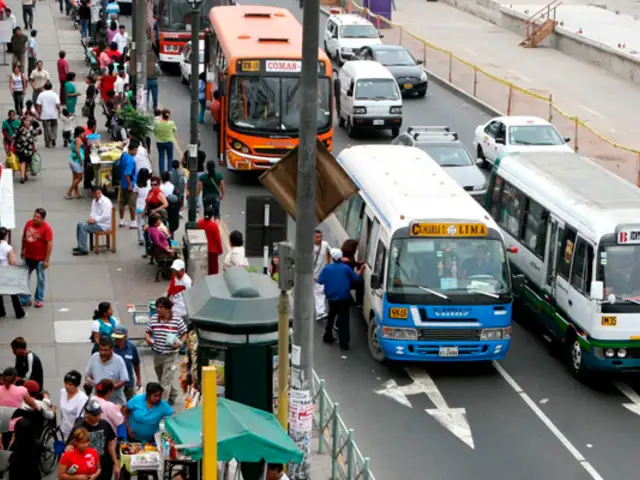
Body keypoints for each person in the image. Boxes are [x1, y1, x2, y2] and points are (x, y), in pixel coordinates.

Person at [317, 248, 364, 351]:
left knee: (331, 316)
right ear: (340, 257)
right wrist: (361, 270)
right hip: (344, 298)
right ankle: (344, 344)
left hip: (331, 298)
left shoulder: (327, 269)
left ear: (333, 258)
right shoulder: (346, 268)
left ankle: (328, 336)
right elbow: (356, 278)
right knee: (344, 321)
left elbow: (320, 281)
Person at [145, 297, 187, 404]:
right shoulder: (154, 319)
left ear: (168, 309)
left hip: (171, 356)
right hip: (157, 354)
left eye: (161, 307)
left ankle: (162, 405)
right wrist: (149, 339)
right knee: (161, 378)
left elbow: (184, 334)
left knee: (165, 381)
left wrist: (180, 343)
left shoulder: (177, 320)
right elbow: (148, 332)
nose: (158, 310)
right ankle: (173, 394)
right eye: (157, 307)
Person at [68, 399, 119, 480]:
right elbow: (70, 448)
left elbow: (110, 445)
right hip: (86, 472)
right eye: (95, 415)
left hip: (105, 469)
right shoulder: (78, 428)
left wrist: (116, 464)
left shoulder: (105, 424)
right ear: (86, 413)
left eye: (99, 413)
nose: (98, 416)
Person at [19, 208, 52, 308]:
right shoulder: (28, 223)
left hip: (40, 259)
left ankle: (38, 299)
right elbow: (24, 237)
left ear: (43, 219)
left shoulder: (46, 228)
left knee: (40, 280)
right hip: (28, 256)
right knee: (23, 278)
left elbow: (49, 244)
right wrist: (22, 249)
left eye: (38, 217)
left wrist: (47, 260)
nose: (35, 218)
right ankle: (25, 299)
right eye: (34, 216)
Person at [85, 335, 129, 405]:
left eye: (106, 350)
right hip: (97, 403)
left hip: (116, 403)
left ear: (112, 349)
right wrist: (92, 383)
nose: (102, 353)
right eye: (101, 349)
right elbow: (87, 376)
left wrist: (108, 389)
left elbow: (124, 380)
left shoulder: (119, 360)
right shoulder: (94, 357)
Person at [74, 186, 113, 256]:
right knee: (79, 224)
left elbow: (106, 217)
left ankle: (84, 250)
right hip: (96, 222)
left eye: (99, 193)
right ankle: (80, 245)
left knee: (83, 227)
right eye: (96, 194)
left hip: (104, 225)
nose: (97, 195)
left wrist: (94, 220)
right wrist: (90, 218)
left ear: (101, 193)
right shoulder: (94, 201)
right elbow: (93, 212)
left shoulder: (106, 202)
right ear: (93, 194)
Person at [0, 228, 26, 319]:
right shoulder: (8, 248)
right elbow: (11, 262)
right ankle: (19, 313)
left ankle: (1, 312)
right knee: (13, 294)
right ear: (6, 236)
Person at [112, 326, 142, 400]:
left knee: (130, 403)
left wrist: (139, 379)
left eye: (119, 338)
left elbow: (136, 364)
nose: (117, 340)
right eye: (115, 337)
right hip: (114, 382)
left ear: (125, 337)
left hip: (128, 382)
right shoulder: (110, 347)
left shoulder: (132, 347)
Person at [59, 370, 88, 439]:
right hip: (64, 430)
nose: (67, 386)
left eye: (70, 384)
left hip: (75, 434)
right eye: (65, 383)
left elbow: (79, 420)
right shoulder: (63, 392)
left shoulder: (82, 398)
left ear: (76, 385)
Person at [198, 206, 223, 275]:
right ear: (212, 215)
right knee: (213, 272)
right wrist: (220, 250)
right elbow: (218, 240)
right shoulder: (214, 226)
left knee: (202, 270)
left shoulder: (199, 223)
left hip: (201, 250)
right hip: (212, 252)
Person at [118, 140, 138, 229]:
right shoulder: (131, 160)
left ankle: (121, 221)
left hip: (122, 184)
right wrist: (130, 184)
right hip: (130, 185)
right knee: (132, 204)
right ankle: (133, 222)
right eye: (134, 150)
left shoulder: (124, 155)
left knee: (122, 203)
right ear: (130, 150)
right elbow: (127, 173)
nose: (135, 152)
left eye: (136, 150)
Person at [313, 229, 331, 321]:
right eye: (317, 237)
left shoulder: (325, 244)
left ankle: (320, 312)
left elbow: (329, 253)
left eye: (321, 237)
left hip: (320, 274)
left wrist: (328, 264)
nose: (319, 239)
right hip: (310, 274)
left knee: (319, 292)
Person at [35, 81, 60, 148]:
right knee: (54, 126)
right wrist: (59, 112)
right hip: (53, 114)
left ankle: (47, 143)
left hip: (44, 114)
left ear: (44, 87)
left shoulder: (41, 94)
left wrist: (38, 113)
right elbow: (57, 105)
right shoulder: (55, 94)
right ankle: (53, 137)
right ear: (51, 87)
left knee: (46, 129)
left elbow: (38, 105)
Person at [14, 115, 37, 183]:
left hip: (29, 148)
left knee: (27, 162)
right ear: (23, 121)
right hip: (21, 148)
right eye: (26, 120)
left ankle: (25, 173)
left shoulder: (31, 128)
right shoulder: (19, 128)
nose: (27, 122)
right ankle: (22, 177)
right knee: (22, 162)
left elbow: (34, 138)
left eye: (29, 121)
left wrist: (35, 146)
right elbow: (14, 137)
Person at [66, 126, 85, 199]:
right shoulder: (78, 140)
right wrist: (81, 160)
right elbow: (77, 150)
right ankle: (69, 192)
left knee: (75, 178)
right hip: (76, 161)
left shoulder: (74, 139)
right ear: (80, 134)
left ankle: (76, 193)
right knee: (80, 178)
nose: (84, 135)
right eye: (83, 133)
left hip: (72, 160)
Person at [134, 168, 151, 245]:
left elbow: (136, 194)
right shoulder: (149, 183)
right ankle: (147, 238)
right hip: (147, 205)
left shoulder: (137, 184)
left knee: (139, 223)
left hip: (139, 206)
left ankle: (140, 239)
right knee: (147, 223)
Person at [211, 90, 222, 162]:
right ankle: (220, 154)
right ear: (218, 96)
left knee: (219, 140)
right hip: (220, 123)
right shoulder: (219, 104)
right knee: (221, 140)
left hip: (216, 123)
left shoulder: (212, 104)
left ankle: (219, 154)